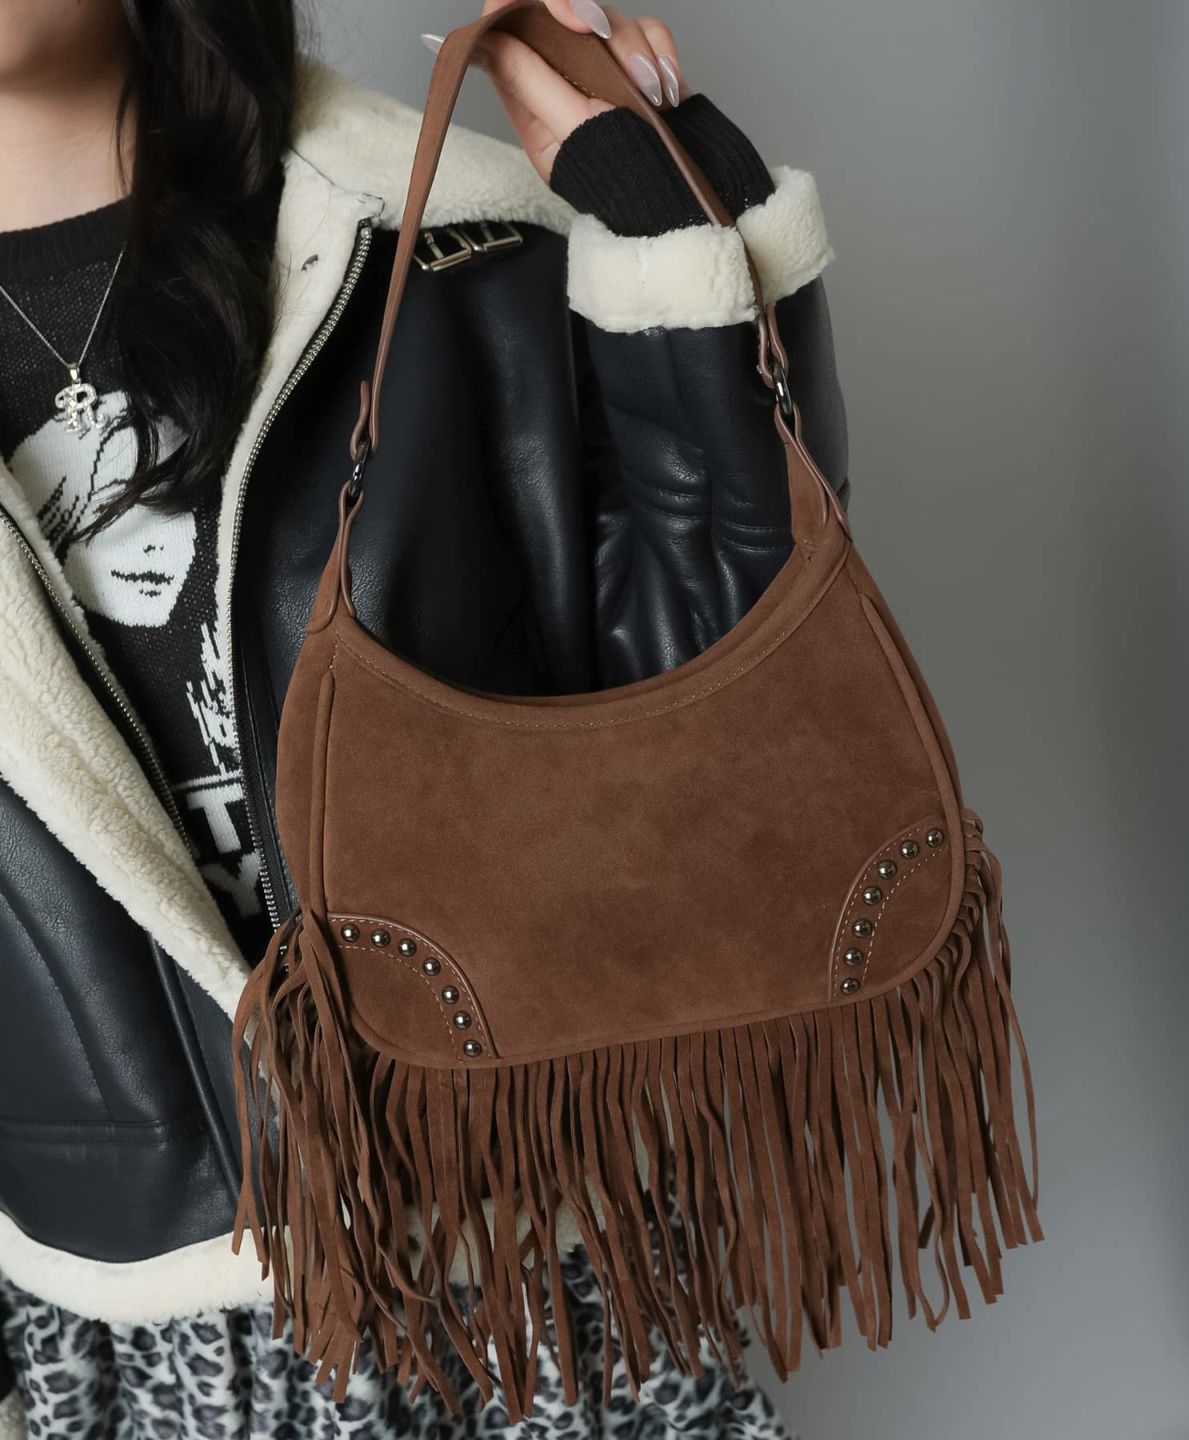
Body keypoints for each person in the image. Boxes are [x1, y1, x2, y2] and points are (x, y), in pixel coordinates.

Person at [0, 0, 847, 1434]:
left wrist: (664, 217)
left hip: (537, 1289)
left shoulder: (441, 249)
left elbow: (739, 698)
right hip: (123, 1350)